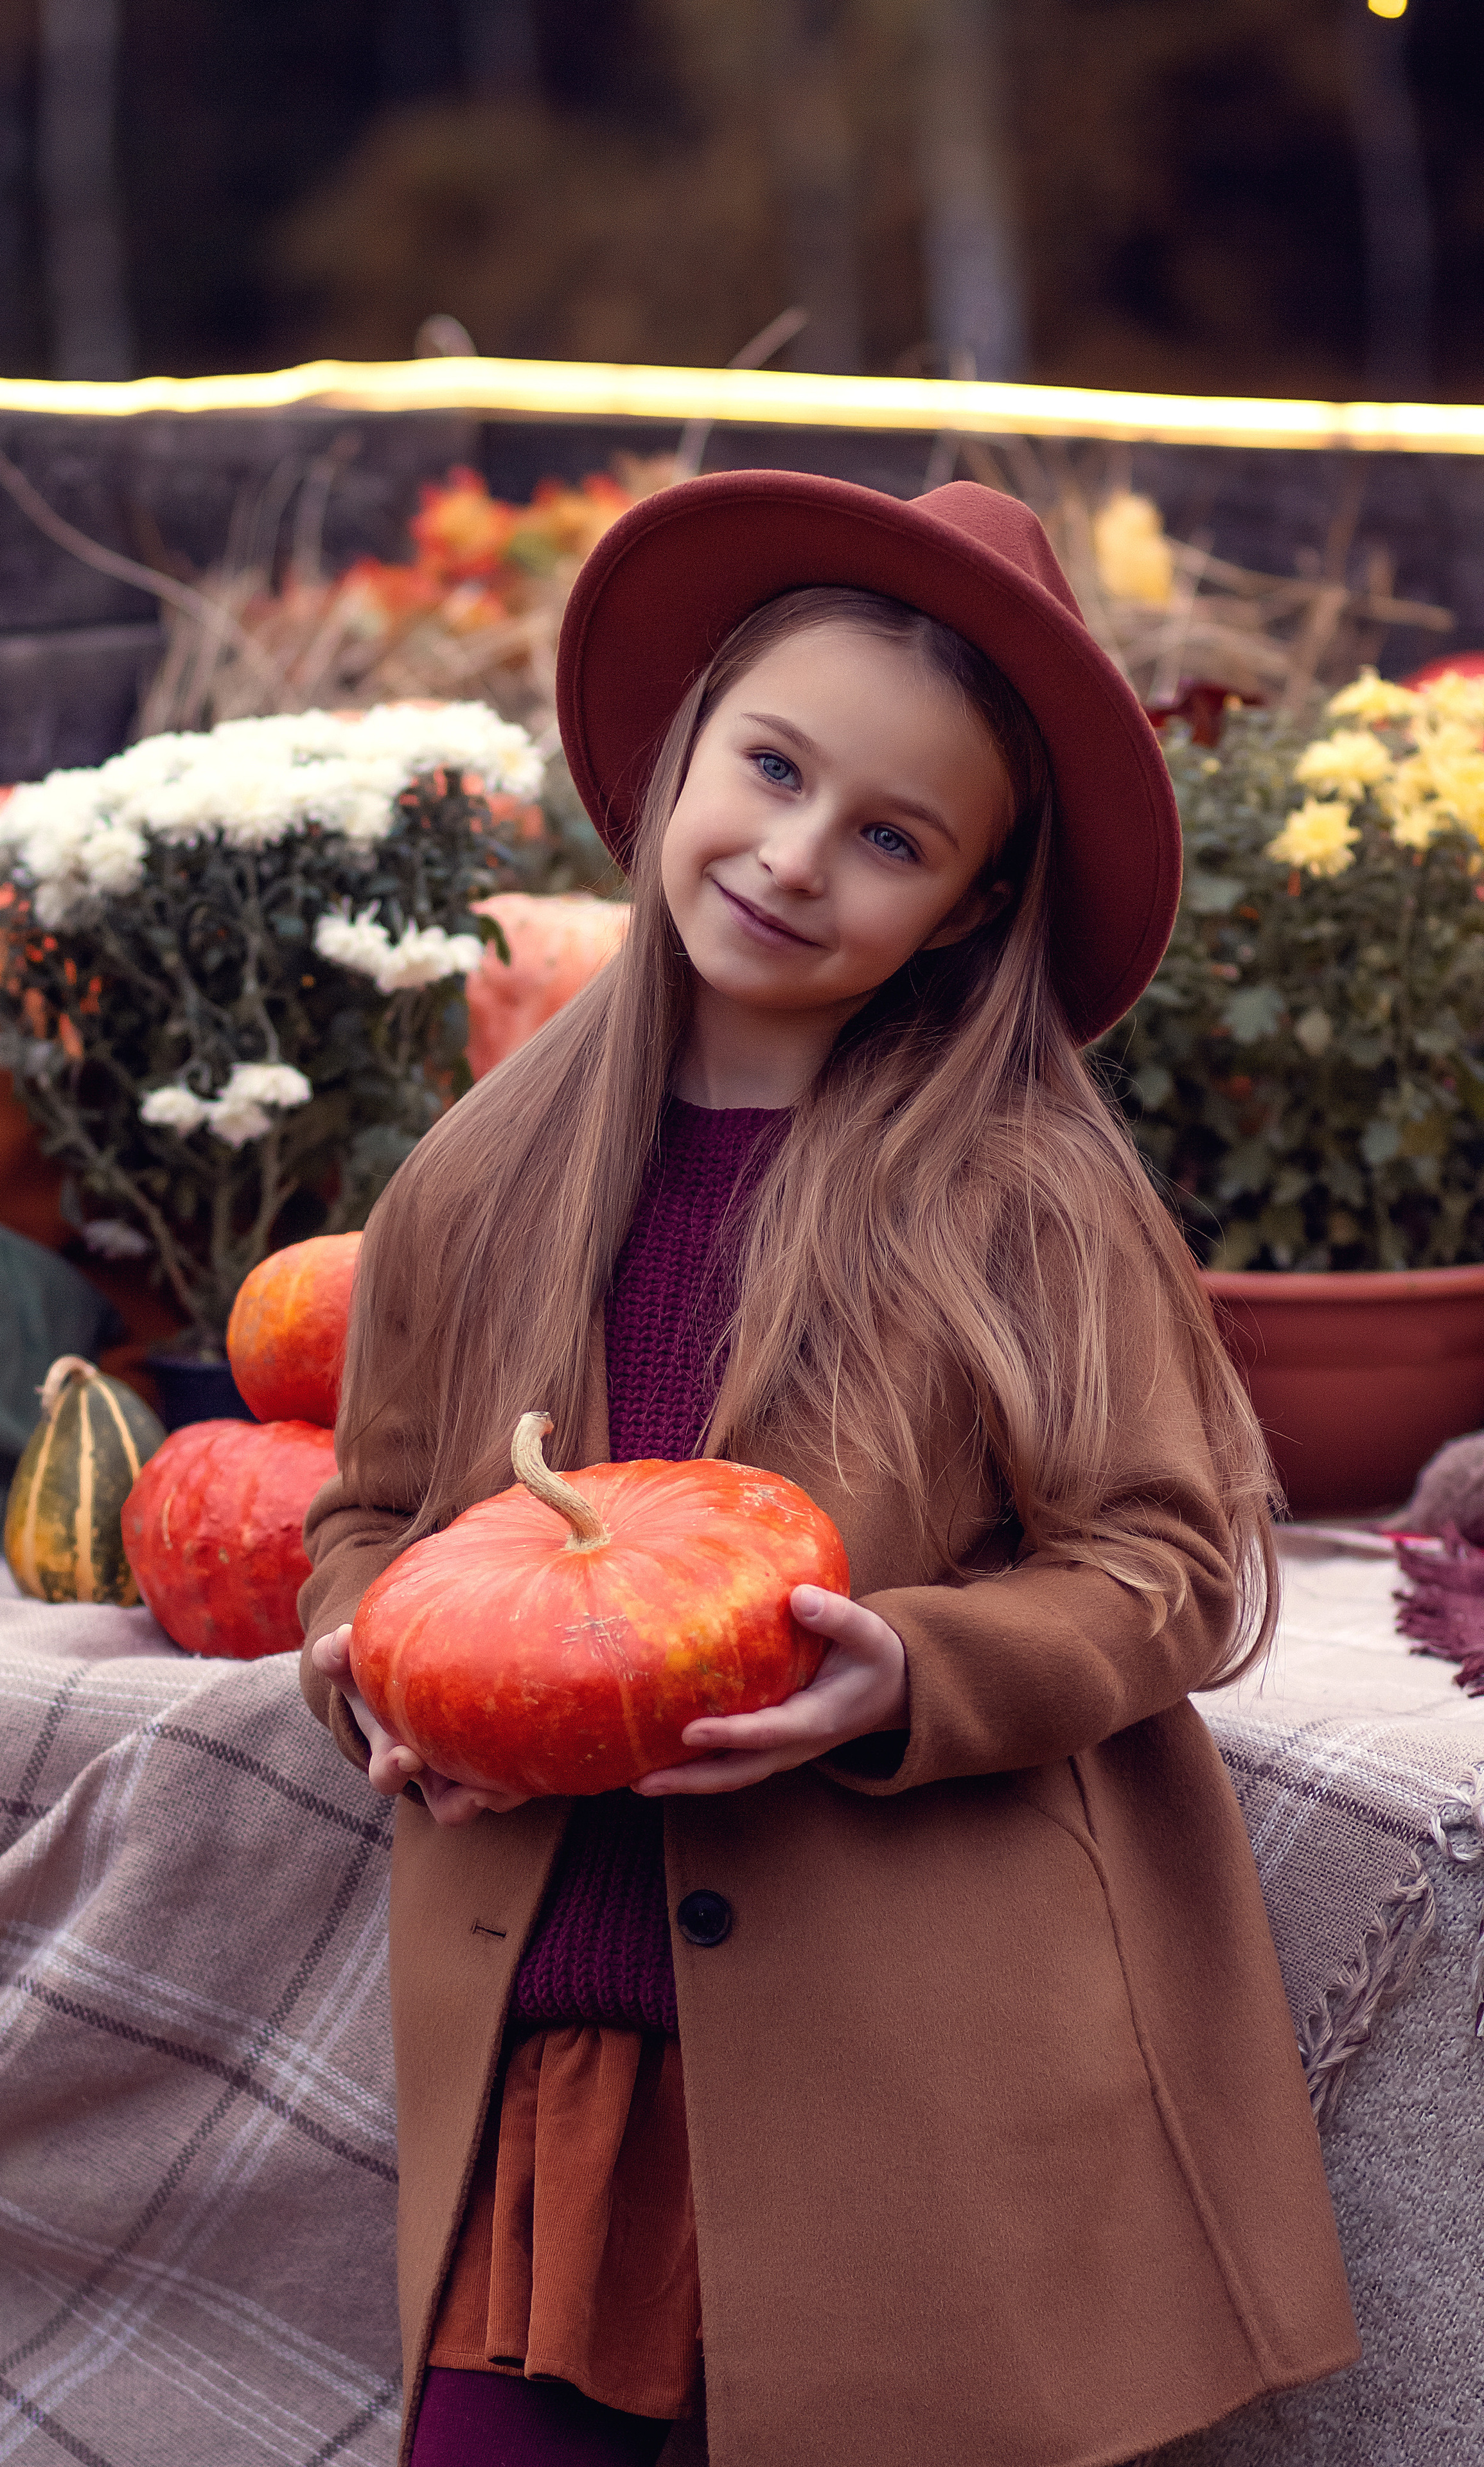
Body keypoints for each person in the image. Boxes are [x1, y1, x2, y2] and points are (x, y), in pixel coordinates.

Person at [298, 473, 1358, 2467]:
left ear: (967, 902)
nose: (794, 857)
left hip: (903, 2085)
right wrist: (370, 1651)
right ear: (685, 743)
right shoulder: (481, 1175)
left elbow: (1172, 1559)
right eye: (770, 767)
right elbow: (376, 1512)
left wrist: (912, 1671)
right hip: (568, 2054)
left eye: (890, 836)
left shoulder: (1019, 1198)